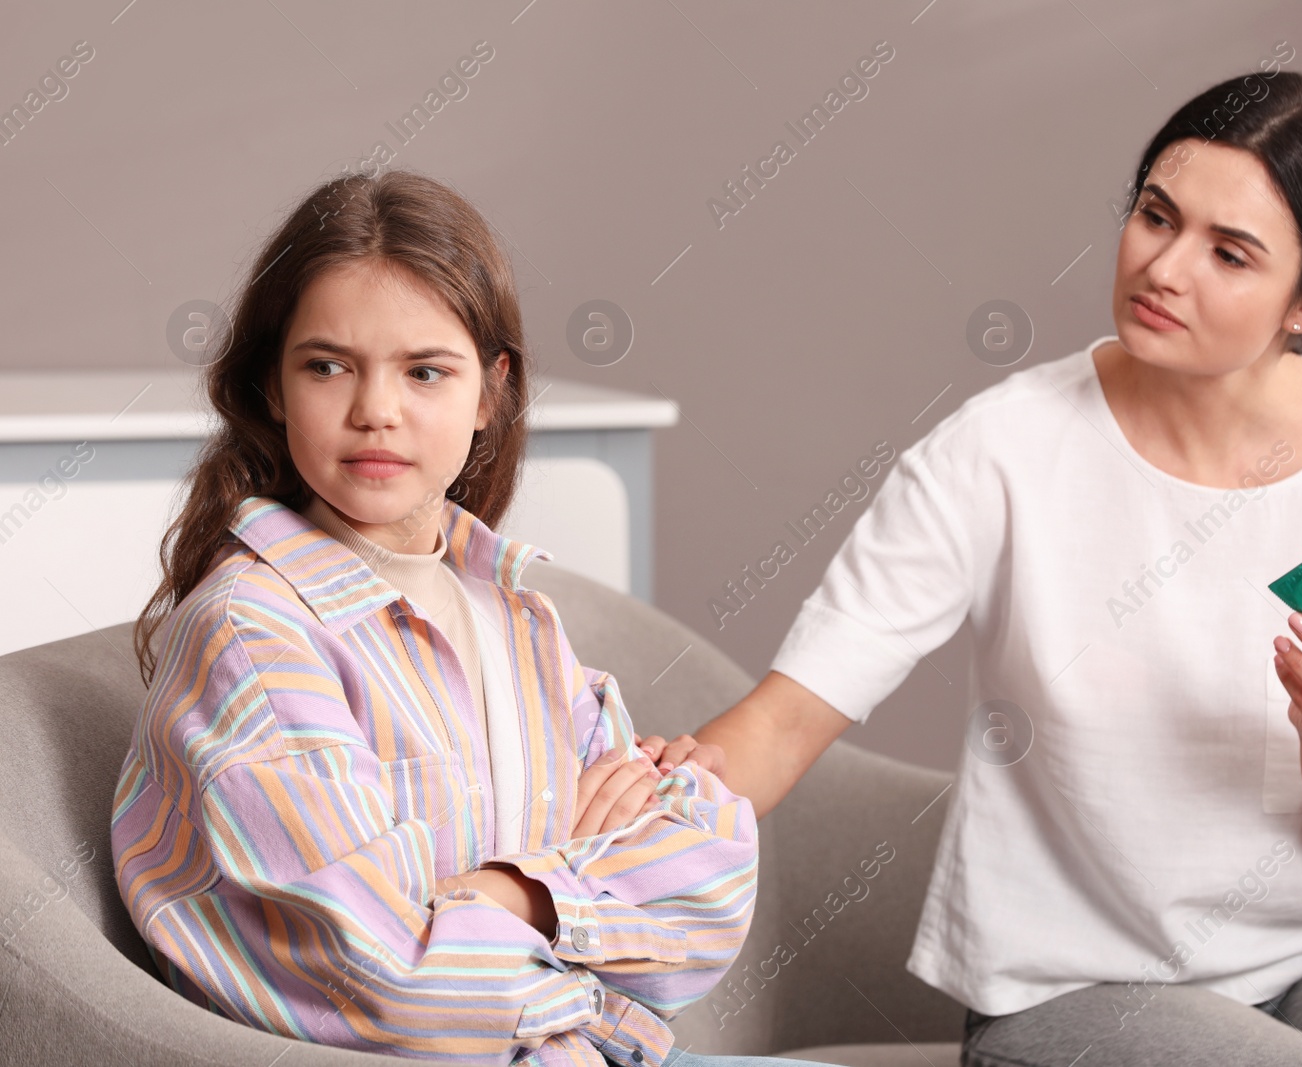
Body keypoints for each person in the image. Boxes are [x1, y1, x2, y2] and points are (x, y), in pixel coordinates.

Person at [640, 72, 1302, 1065]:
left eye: (1229, 253)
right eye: (1154, 215)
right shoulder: (998, 452)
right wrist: (627, 819)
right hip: (1075, 987)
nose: (1163, 268)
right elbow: (788, 717)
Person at [111, 170, 836, 1067]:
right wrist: (597, 953)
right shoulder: (255, 637)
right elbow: (378, 972)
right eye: (328, 365)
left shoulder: (509, 604)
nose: (376, 410)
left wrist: (510, 894)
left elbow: (708, 877)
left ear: (490, 393)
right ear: (271, 386)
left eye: (425, 371)